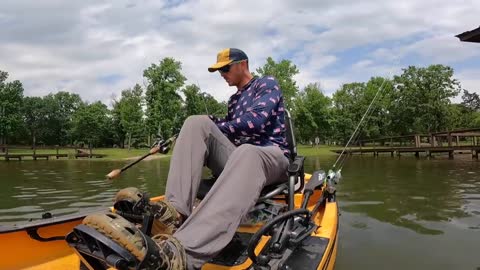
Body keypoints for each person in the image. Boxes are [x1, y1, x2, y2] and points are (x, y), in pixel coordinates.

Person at [84, 48, 290, 270]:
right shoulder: (234, 100)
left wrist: (219, 124)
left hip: (271, 156)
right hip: (240, 157)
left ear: (243, 64)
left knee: (247, 151)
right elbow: (229, 132)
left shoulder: (266, 83)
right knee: (195, 122)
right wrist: (211, 122)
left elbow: (255, 122)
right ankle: (175, 211)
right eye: (219, 70)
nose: (222, 73)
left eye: (225, 68)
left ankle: (182, 253)